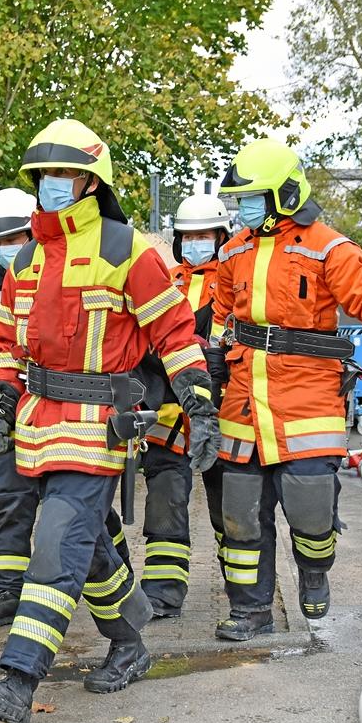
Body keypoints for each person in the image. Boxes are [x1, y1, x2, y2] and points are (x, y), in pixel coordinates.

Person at [0, 119, 220, 723]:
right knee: (87, 548)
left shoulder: (126, 249)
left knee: (56, 543)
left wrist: (200, 405)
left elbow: (174, 333)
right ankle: (131, 639)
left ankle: (18, 678)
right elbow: (8, 343)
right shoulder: (26, 256)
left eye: (62, 175)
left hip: (97, 423)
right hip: (36, 420)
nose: (50, 185)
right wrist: (1, 400)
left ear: (90, 181)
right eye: (43, 176)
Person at [211, 138, 362, 640]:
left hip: (307, 396)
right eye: (240, 200)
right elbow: (219, 316)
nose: (243, 208)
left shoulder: (330, 249)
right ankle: (251, 612)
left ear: (283, 195)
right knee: (241, 515)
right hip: (244, 398)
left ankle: (314, 570)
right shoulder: (233, 250)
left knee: (310, 508)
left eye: (252, 198)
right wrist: (207, 369)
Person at [0, 189, 132, 628]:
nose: (8, 251)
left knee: (81, 507)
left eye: (14, 239)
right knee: (9, 499)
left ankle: (116, 574)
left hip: (68, 412)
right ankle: (7, 590)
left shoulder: (73, 276)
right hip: (12, 411)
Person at [138, 194, 233, 619]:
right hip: (169, 414)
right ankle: (162, 592)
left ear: (220, 236)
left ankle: (243, 590)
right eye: (188, 236)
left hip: (220, 412)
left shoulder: (234, 279)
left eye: (204, 235)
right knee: (164, 501)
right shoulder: (165, 280)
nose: (196, 242)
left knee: (228, 503)